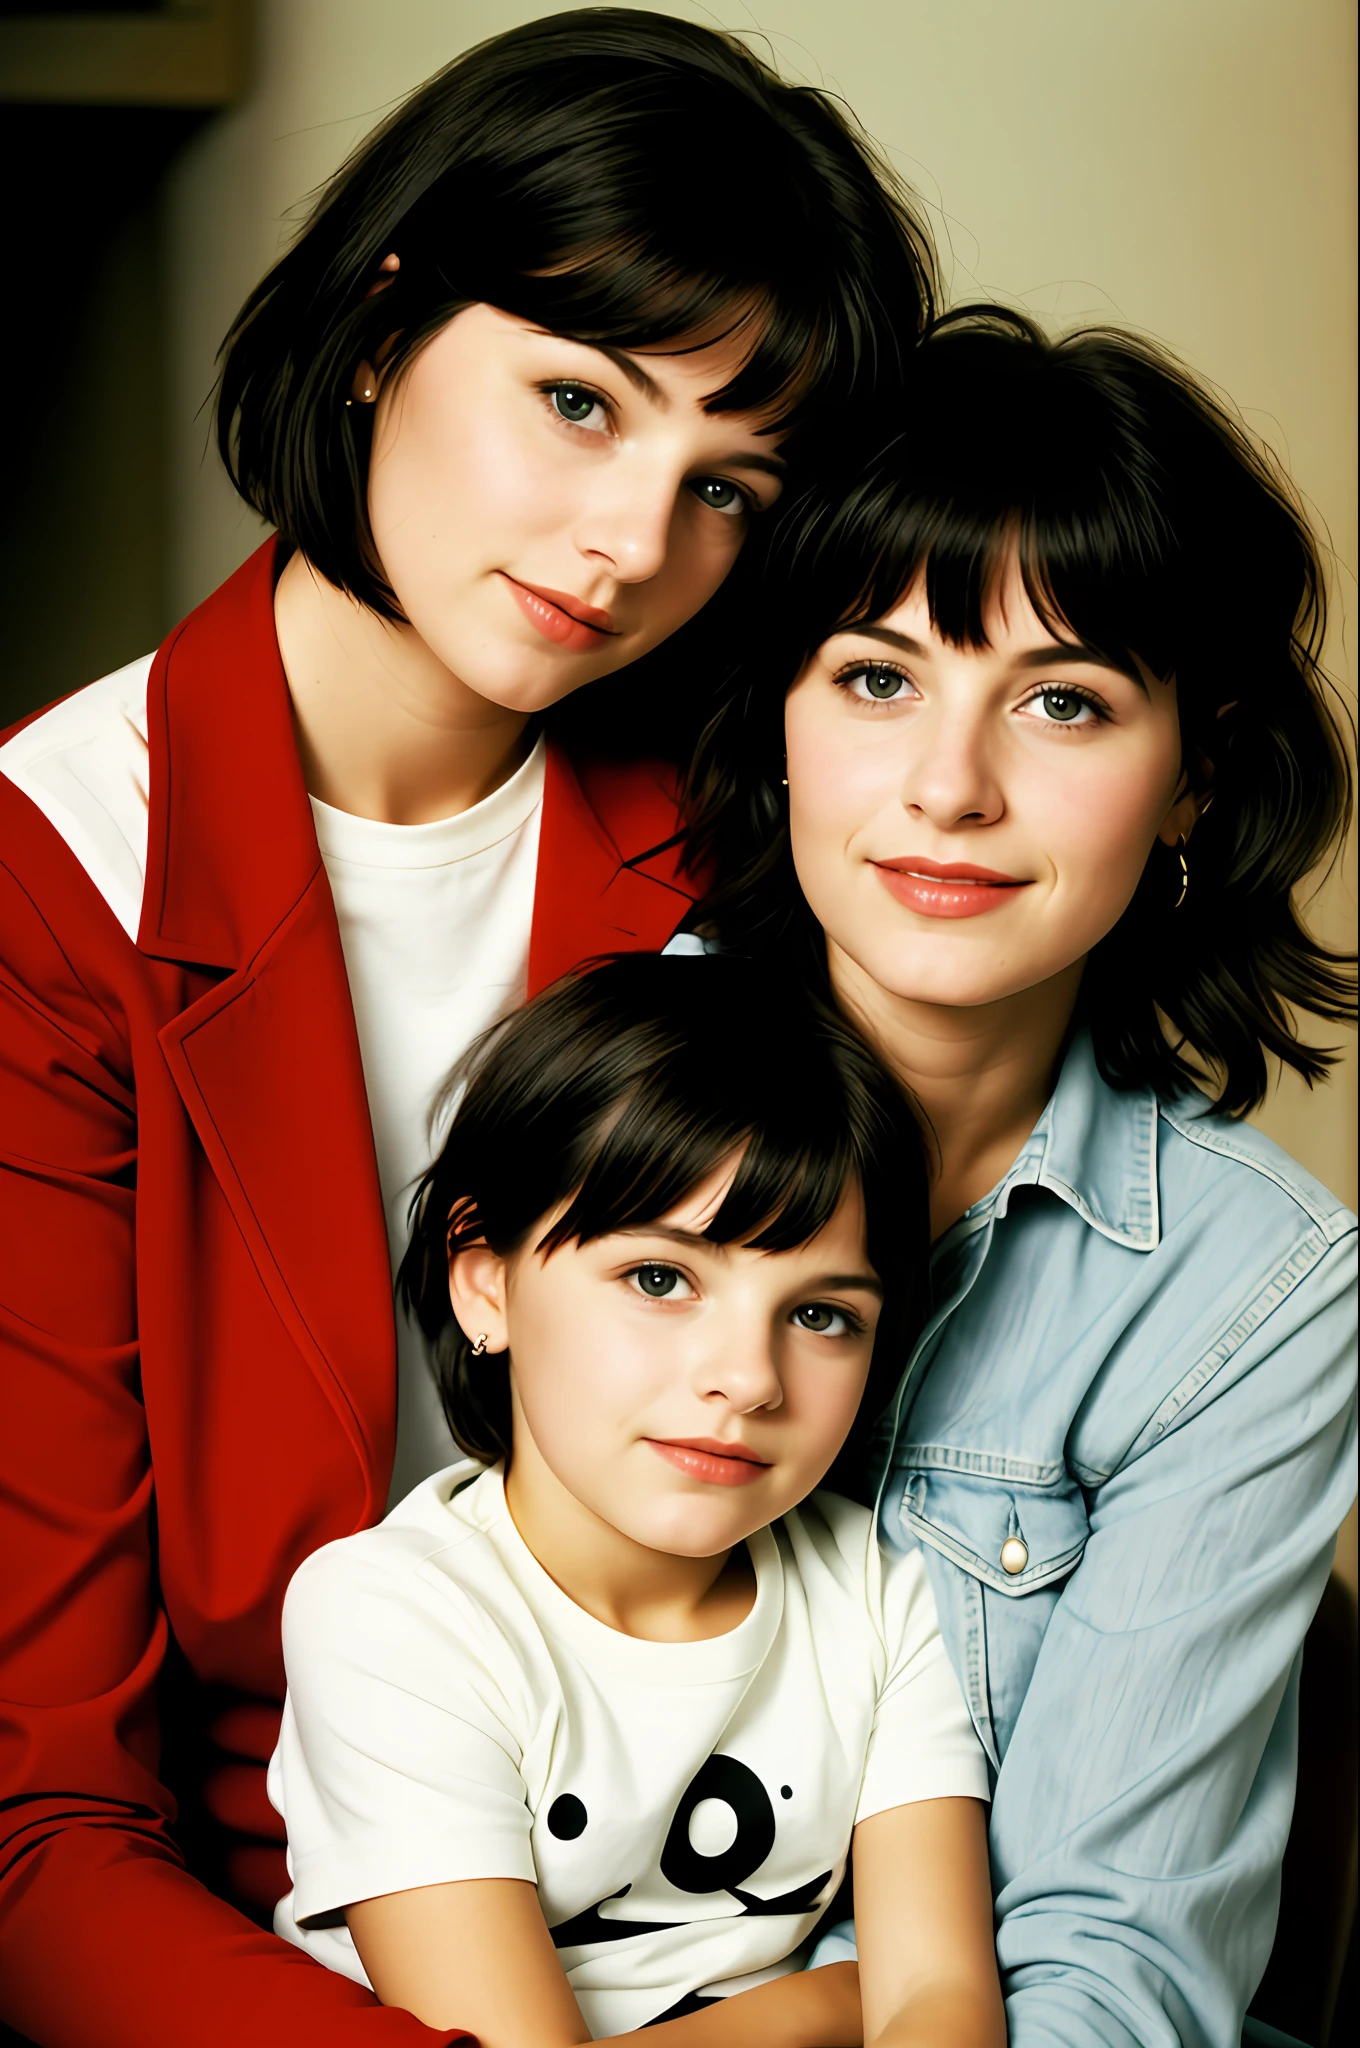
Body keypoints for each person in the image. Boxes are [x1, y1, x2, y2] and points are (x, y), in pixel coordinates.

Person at [0, 14, 938, 2045]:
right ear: (377, 322)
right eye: (576, 403)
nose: (629, 545)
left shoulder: (753, 834)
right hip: (287, 1967)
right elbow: (37, 1817)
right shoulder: (56, 875)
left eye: (726, 487)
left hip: (760, 1928)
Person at [684, 305, 1359, 2048]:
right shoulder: (567, 1090)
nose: (949, 787)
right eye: (878, 674)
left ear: (1197, 773)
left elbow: (1114, 1968)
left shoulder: (1252, 1285)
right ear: (780, 714)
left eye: (1062, 699)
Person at [268, 952, 1000, 2048]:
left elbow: (934, 1999)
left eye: (820, 1315)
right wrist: (816, 2003)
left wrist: (875, 2000)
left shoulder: (883, 1594)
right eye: (661, 1278)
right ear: (485, 1276)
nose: (749, 1377)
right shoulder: (389, 1615)